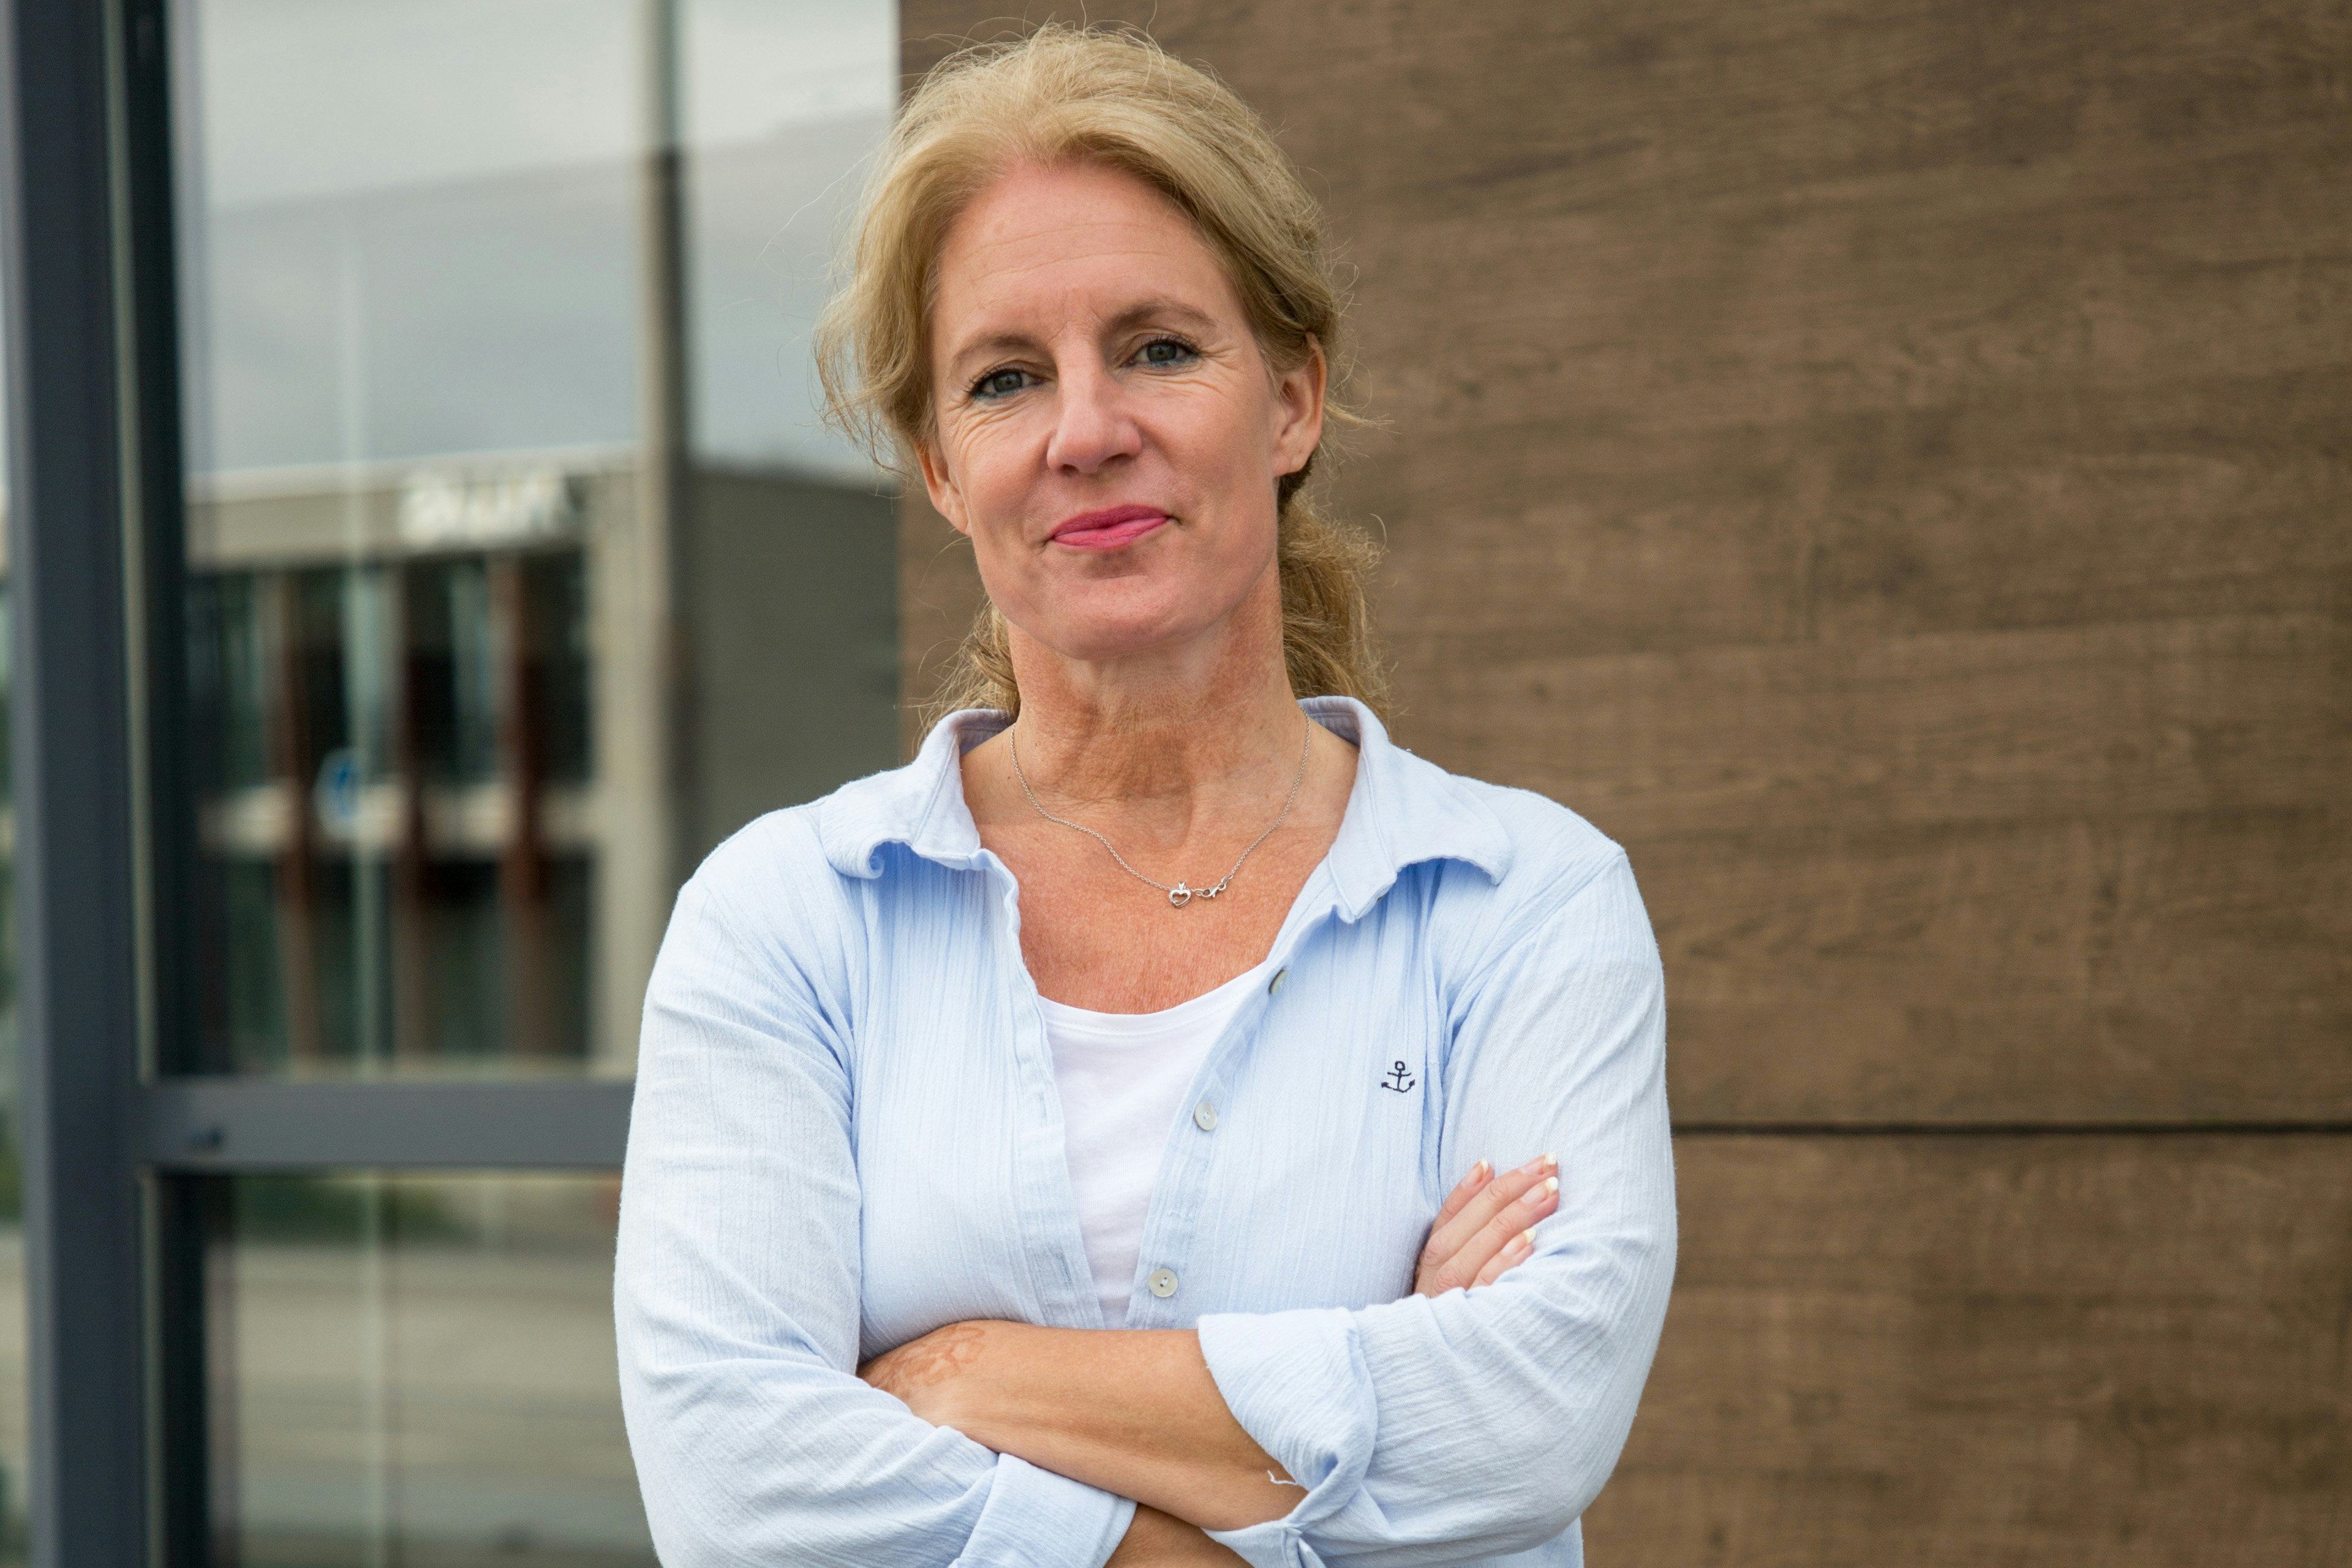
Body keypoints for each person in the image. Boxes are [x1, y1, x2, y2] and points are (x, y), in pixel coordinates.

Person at [613, 24, 1675, 1568]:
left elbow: (1531, 1416)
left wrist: (967, 1376)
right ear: (939, 467)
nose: (1087, 431)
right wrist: (1335, 1423)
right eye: (1005, 379)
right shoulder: (783, 924)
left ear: (1292, 401)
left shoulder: (1525, 901)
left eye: (1161, 349)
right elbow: (740, 1490)